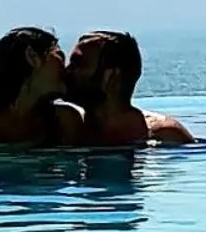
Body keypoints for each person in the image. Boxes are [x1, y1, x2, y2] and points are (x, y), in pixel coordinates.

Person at [65, 30, 194, 146]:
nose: (67, 70)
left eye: (79, 64)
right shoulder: (66, 130)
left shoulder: (165, 135)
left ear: (112, 77)